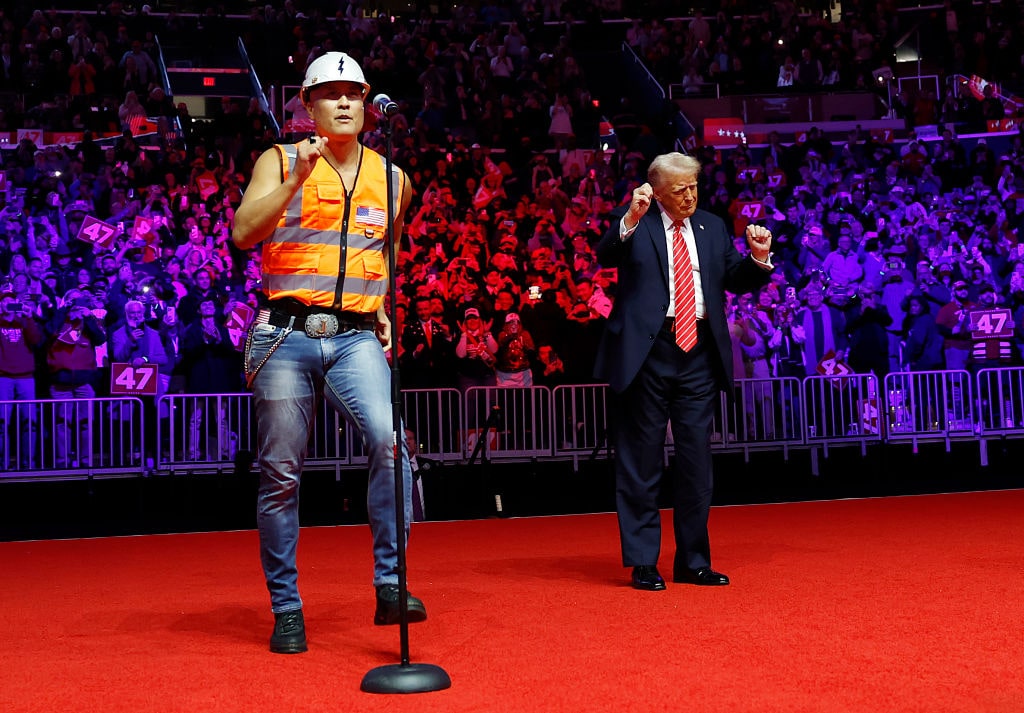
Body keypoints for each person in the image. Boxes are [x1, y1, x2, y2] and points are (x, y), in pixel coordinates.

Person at [231, 52, 425, 655]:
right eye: (330, 94)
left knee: (390, 444)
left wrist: (384, 307)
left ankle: (391, 584)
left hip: (355, 335)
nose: (344, 103)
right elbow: (243, 234)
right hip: (285, 334)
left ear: (367, 104)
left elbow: (384, 251)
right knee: (281, 474)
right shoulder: (279, 159)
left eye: (353, 94)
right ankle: (287, 609)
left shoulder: (394, 179)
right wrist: (294, 179)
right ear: (308, 106)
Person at [593, 152, 773, 591]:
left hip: (699, 354)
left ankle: (693, 561)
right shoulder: (635, 219)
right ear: (656, 192)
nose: (690, 195)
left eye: (694, 186)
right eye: (680, 190)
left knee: (696, 462)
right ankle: (642, 561)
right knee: (642, 461)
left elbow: (734, 277)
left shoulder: (711, 226)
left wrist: (758, 258)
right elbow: (606, 254)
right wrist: (632, 216)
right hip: (648, 353)